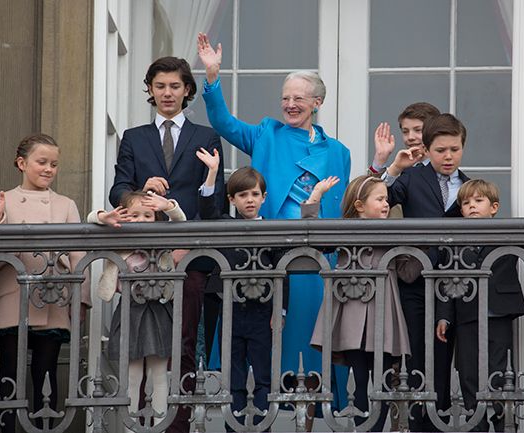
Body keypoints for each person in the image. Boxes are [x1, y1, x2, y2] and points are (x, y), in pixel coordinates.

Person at [197, 33, 351, 425]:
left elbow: (344, 207)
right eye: (285, 97)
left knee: (311, 345)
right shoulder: (266, 133)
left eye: (298, 98)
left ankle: (311, 419)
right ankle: (256, 416)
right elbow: (222, 123)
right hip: (268, 257)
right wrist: (212, 76)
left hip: (316, 259)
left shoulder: (339, 153)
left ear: (317, 102)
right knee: (264, 345)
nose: (290, 104)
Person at [109, 56, 224, 432]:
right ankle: (140, 425)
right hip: (144, 260)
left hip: (190, 258)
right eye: (160, 86)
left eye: (175, 86)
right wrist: (141, 192)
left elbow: (215, 204)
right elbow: (117, 192)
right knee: (141, 345)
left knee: (184, 343)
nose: (167, 93)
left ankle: (177, 426)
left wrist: (207, 182)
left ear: (187, 90)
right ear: (150, 90)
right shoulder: (134, 137)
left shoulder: (205, 136)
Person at [0, 133, 91, 433]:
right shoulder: (4, 200)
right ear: (21, 163)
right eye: (42, 162)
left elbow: (79, 255)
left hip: (53, 300)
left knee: (46, 373)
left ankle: (44, 427)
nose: (49, 169)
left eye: (54, 164)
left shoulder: (66, 204)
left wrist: (82, 299)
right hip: (12, 299)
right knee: (11, 374)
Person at [435, 178, 524, 432]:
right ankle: (475, 425)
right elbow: (446, 282)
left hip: (498, 314)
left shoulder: (506, 233)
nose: (472, 206)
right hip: (466, 316)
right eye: (466, 203)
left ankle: (503, 423)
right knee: (468, 373)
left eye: (478, 201)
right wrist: (444, 317)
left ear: (494, 207)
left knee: (500, 373)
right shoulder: (454, 241)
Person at [377, 113, 471, 431]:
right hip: (416, 282)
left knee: (447, 363)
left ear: (462, 148)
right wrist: (393, 168)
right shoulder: (412, 178)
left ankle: (442, 422)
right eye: (441, 150)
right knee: (417, 360)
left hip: (455, 286)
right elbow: (379, 199)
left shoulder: (470, 186)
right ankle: (418, 425)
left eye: (454, 150)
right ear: (427, 149)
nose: (448, 156)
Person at [306, 175, 421, 431]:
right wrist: (315, 197)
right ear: (360, 206)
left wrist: (418, 244)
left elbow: (408, 273)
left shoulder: (394, 231)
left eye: (387, 200)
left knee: (381, 381)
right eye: (380, 199)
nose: (386, 205)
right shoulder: (342, 228)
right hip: (351, 313)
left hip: (383, 315)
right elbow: (312, 234)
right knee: (358, 380)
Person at [196, 148, 289, 430]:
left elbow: (282, 274)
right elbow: (207, 211)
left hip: (262, 312)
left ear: (264, 198)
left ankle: (263, 426)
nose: (249, 200)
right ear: (232, 200)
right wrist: (212, 172)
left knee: (263, 375)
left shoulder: (273, 230)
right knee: (233, 377)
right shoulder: (225, 225)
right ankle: (232, 427)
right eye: (242, 195)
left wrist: (280, 310)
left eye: (254, 194)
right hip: (231, 311)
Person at [88, 190, 187, 432]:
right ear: (123, 216)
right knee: (132, 377)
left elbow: (181, 222)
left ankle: (159, 427)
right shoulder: (118, 236)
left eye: (148, 215)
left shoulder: (163, 240)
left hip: (158, 311)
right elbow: (90, 218)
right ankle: (132, 428)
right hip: (130, 312)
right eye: (134, 215)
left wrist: (168, 205)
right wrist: (104, 216)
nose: (142, 220)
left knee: (160, 376)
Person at [369, 102, 441, 175]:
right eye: (405, 131)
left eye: (418, 130)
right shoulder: (398, 170)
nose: (410, 137)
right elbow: (373, 186)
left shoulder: (446, 168)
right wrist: (380, 157)